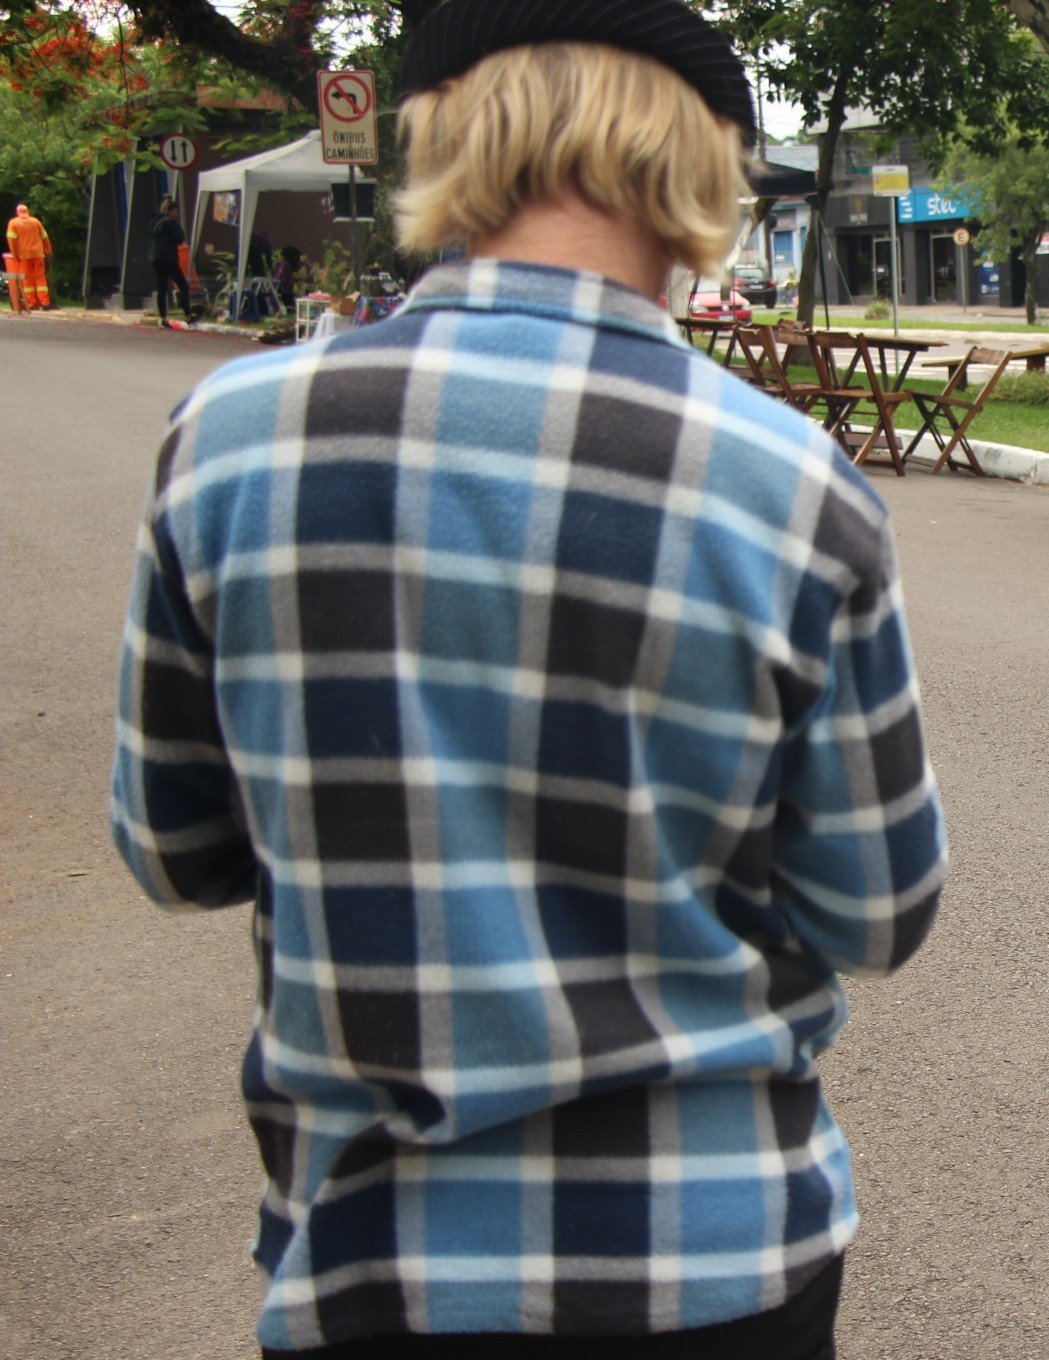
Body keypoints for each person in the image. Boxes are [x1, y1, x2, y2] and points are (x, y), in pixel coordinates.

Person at [108, 3, 945, 1355]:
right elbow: (882, 908)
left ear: (443, 134)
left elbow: (174, 848)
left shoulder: (231, 442)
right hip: (714, 1251)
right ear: (704, 165)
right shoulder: (796, 490)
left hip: (373, 1262)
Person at [147, 197, 195, 327]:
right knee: (183, 285)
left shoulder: (155, 221)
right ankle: (188, 315)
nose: (177, 214)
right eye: (176, 211)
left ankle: (163, 318)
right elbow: (179, 237)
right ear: (172, 211)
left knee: (162, 288)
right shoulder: (170, 222)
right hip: (168, 257)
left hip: (155, 258)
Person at [8, 203, 53, 310]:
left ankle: (31, 303)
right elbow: (44, 236)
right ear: (28, 211)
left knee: (27, 279)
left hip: (24, 256)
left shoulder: (13, 223)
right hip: (38, 254)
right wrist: (48, 250)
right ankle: (45, 303)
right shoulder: (35, 221)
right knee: (40, 278)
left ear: (17, 212)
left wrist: (15, 254)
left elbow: (12, 241)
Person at [272, 244, 304, 308]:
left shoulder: (281, 264)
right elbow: (285, 280)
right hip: (283, 290)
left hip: (281, 289)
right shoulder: (285, 266)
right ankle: (292, 309)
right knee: (291, 298)